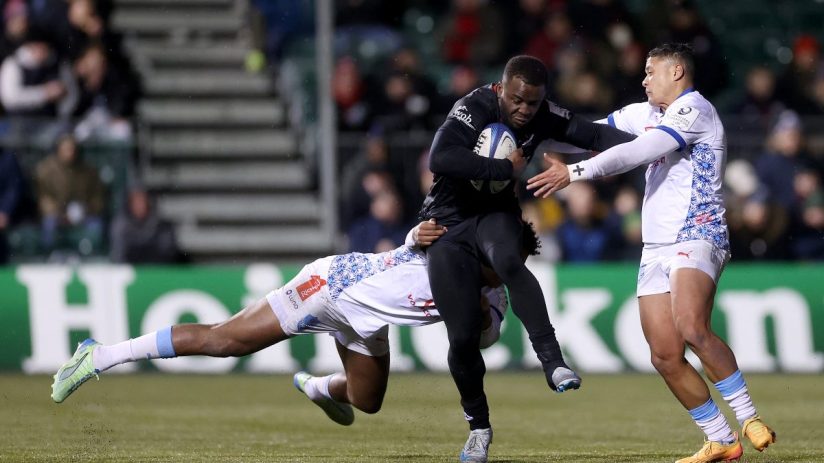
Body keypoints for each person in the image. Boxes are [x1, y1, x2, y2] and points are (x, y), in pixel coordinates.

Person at [527, 43, 776, 463]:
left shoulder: (695, 109)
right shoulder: (645, 113)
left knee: (692, 326)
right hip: (656, 243)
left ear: (676, 72)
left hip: (698, 232)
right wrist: (529, 135)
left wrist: (573, 172)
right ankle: (719, 439)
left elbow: (637, 152)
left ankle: (749, 417)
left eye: (650, 71)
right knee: (663, 353)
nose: (643, 80)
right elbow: (591, 133)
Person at [51, 220, 540, 429]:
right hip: (333, 286)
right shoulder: (454, 245)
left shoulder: (495, 292)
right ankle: (100, 355)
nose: (508, 268)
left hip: (367, 321)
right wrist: (415, 232)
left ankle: (320, 389)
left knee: (368, 402)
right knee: (226, 342)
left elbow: (487, 336)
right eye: (506, 259)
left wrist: (478, 319)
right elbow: (418, 236)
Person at [419, 54, 636, 462]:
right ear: (502, 89)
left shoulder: (544, 115)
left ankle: (553, 363)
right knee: (463, 337)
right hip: (447, 224)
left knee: (509, 261)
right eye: (517, 100)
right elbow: (441, 158)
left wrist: (655, 145)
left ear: (542, 99)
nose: (523, 110)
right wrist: (501, 167)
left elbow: (594, 136)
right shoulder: (474, 106)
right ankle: (479, 428)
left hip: (495, 216)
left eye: (532, 103)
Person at [109, 187, 181, 264]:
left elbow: (168, 253)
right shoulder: (121, 226)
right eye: (136, 202)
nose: (139, 206)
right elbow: (118, 254)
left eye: (142, 201)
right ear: (130, 204)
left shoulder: (161, 225)